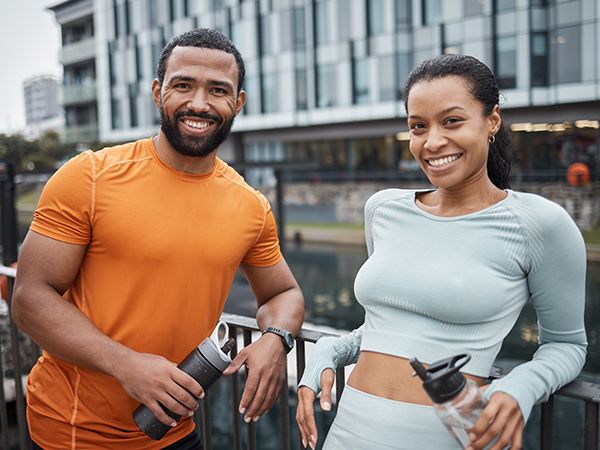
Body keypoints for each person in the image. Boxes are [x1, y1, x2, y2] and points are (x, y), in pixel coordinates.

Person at [12, 28, 304, 450]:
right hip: (73, 433)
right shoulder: (88, 177)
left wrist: (277, 338)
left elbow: (284, 293)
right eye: (183, 85)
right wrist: (125, 364)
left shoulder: (251, 205)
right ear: (157, 91)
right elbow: (29, 299)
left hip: (174, 430)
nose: (199, 103)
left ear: (238, 102)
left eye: (218, 90)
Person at [296, 54, 587, 450]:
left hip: (449, 438)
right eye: (419, 126)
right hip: (347, 434)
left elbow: (567, 346)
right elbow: (384, 325)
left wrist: (521, 386)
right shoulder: (382, 209)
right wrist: (331, 348)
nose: (432, 142)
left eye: (452, 121)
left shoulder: (539, 223)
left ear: (492, 121)